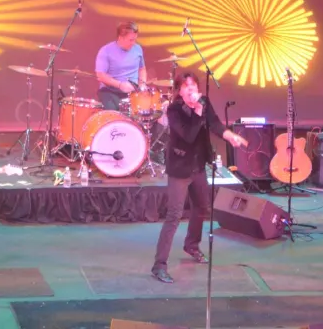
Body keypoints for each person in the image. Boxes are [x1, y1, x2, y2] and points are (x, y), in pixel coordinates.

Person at [151, 72, 248, 283]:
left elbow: (215, 123)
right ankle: (159, 265)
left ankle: (191, 245)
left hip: (198, 165)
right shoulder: (174, 110)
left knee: (202, 206)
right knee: (174, 215)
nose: (190, 90)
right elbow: (188, 135)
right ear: (179, 91)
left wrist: (229, 135)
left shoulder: (204, 102)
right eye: (185, 86)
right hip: (179, 167)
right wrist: (196, 112)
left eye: (193, 86)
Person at [95, 21, 147, 111]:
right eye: (130, 40)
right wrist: (120, 85)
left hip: (132, 92)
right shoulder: (106, 51)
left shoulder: (138, 49)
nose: (133, 43)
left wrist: (142, 84)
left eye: (135, 39)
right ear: (120, 37)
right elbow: (100, 75)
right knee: (113, 113)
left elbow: (142, 69)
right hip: (110, 91)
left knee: (145, 111)